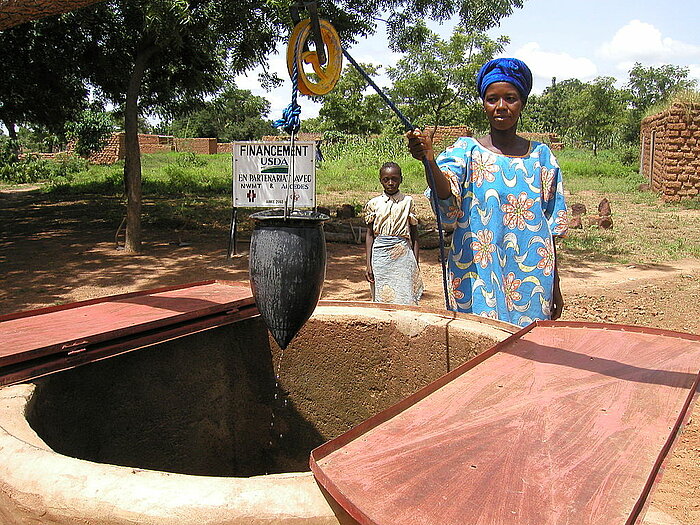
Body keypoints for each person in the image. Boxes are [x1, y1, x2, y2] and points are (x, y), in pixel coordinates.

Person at [407, 58, 568, 326]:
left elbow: (551, 229)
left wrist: (556, 284)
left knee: (527, 351)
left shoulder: (542, 157)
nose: (501, 107)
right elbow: (446, 196)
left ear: (523, 103)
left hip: (532, 281)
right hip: (475, 274)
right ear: (484, 104)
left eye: (510, 98)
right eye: (492, 99)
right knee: (478, 346)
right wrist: (429, 161)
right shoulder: (465, 151)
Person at [364, 162, 424, 305]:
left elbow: (415, 236)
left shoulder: (408, 202)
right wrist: (368, 264)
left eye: (394, 179)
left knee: (405, 295)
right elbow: (370, 235)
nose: (390, 183)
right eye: (386, 179)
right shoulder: (374, 204)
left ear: (401, 179)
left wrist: (415, 262)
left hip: (403, 255)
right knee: (382, 295)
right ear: (381, 180)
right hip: (380, 257)